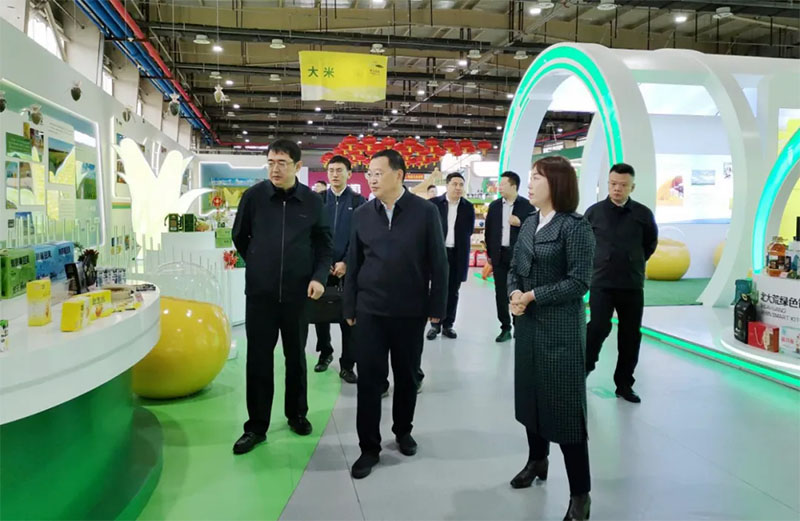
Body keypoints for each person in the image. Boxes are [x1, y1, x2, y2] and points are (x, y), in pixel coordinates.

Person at [344, 149, 448, 479]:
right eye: (369, 173)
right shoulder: (363, 214)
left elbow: (438, 262)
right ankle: (368, 448)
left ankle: (403, 431)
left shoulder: (425, 212)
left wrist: (437, 307)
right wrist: (349, 305)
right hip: (370, 311)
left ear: (399, 175)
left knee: (407, 377)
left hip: (410, 310)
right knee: (369, 381)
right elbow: (354, 261)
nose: (371, 179)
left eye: (378, 173)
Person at [231, 139, 332, 455]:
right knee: (258, 359)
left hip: (297, 295)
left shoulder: (312, 202)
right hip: (260, 295)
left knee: (296, 357)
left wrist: (318, 277)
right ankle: (256, 426)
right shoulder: (254, 197)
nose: (275, 169)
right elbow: (240, 236)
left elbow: (324, 245)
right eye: (271, 162)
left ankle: (297, 414)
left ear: (297, 166)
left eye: (282, 163)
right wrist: (260, 263)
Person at [508, 156, 595, 521]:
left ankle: (580, 494)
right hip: (528, 327)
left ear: (557, 184)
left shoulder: (575, 227)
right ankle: (537, 460)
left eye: (536, 178)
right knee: (531, 399)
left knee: (565, 410)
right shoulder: (530, 222)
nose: (529, 184)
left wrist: (532, 296)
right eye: (530, 177)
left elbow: (579, 282)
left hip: (560, 331)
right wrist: (514, 293)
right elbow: (515, 267)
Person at [584, 163, 658, 404]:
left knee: (630, 335)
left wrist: (633, 261)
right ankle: (583, 369)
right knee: (597, 327)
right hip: (601, 282)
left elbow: (650, 244)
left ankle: (624, 384)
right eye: (613, 184)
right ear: (607, 184)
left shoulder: (643, 214)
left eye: (623, 185)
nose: (617, 188)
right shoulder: (594, 213)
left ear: (632, 187)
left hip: (631, 284)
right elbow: (584, 244)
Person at [312, 155, 366, 384]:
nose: (334, 174)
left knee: (349, 318)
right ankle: (325, 353)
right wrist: (322, 263)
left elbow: (361, 237)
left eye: (339, 170)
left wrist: (346, 262)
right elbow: (312, 235)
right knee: (320, 314)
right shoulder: (317, 200)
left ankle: (348, 364)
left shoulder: (359, 201)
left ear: (349, 174)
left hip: (348, 268)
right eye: (331, 170)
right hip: (321, 267)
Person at [484, 171, 534, 343]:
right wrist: (489, 254)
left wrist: (520, 223)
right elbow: (489, 231)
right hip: (499, 256)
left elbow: (534, 230)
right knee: (500, 293)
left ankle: (518, 325)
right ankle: (505, 327)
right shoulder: (494, 206)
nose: (500, 187)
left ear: (514, 186)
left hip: (519, 257)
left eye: (503, 184)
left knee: (518, 291)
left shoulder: (527, 207)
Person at [427, 172, 475, 340]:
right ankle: (435, 324)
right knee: (437, 288)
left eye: (461, 184)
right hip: (438, 253)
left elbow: (469, 231)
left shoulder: (468, 207)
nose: (458, 188)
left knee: (454, 290)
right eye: (454, 184)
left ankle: (448, 325)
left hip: (458, 254)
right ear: (447, 185)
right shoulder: (434, 204)